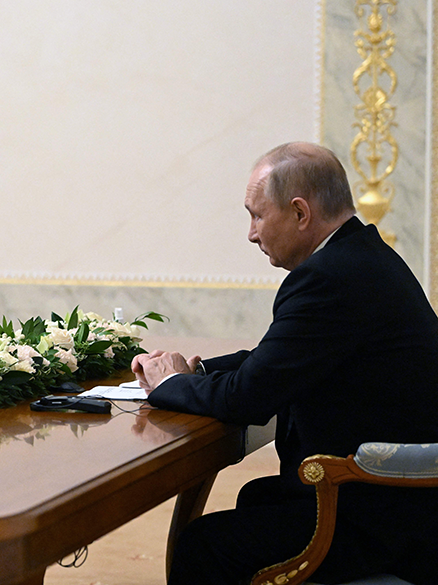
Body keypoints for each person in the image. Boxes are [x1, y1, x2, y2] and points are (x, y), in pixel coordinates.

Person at [133, 142, 438, 584]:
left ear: (299, 213)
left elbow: (248, 398)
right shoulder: (360, 256)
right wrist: (194, 372)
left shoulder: (330, 278)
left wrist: (169, 385)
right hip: (396, 502)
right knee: (256, 497)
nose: (252, 234)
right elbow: (276, 359)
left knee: (203, 546)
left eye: (257, 215)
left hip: (378, 519)